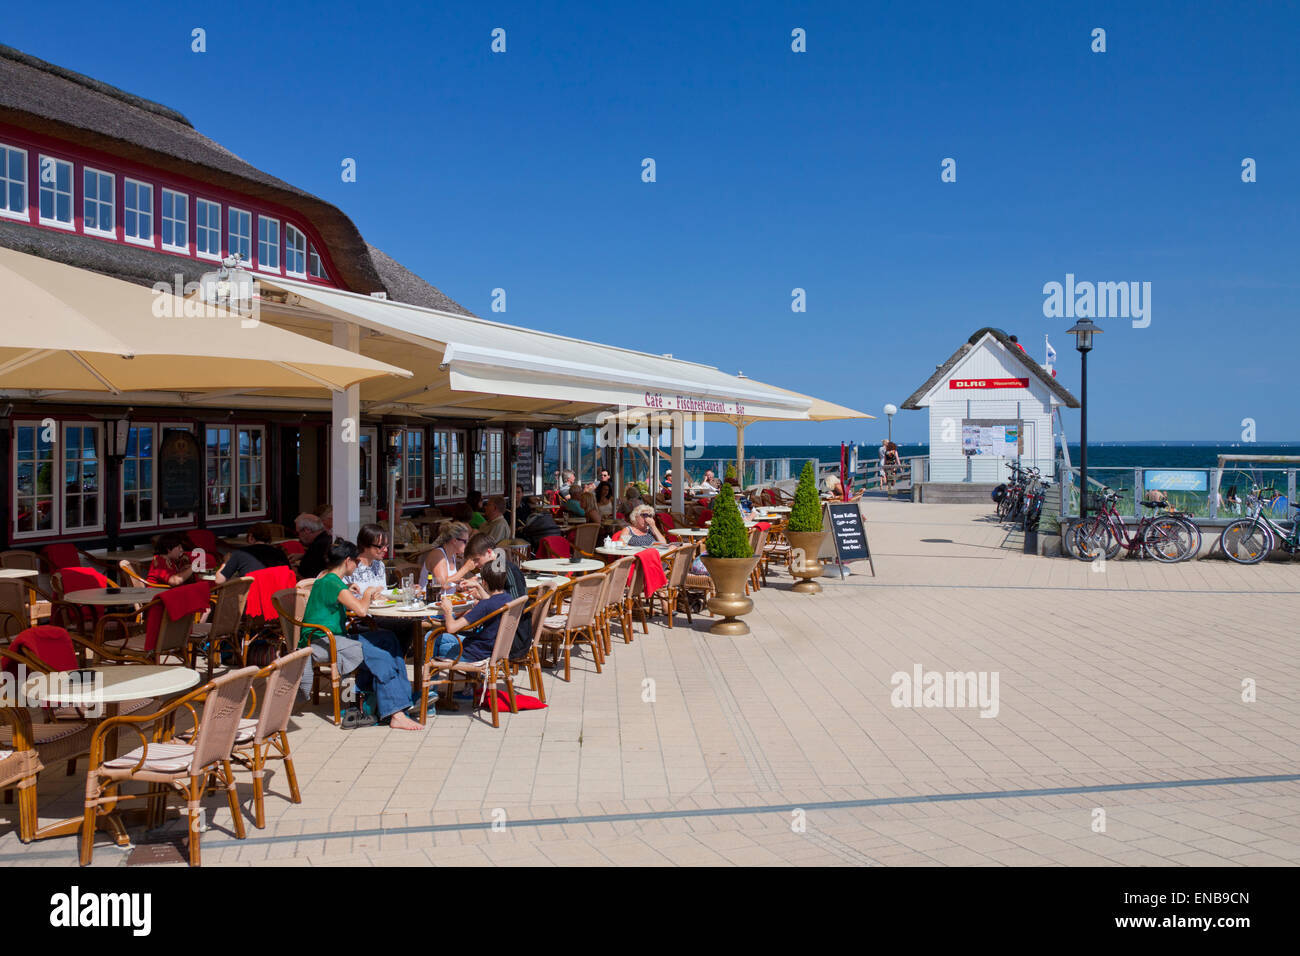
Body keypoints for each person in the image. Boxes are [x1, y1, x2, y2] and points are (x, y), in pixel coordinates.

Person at [298, 539, 421, 731]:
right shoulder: (333, 583)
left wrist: (349, 590)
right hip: (324, 641)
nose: (357, 566)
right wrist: (368, 593)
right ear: (347, 561)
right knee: (381, 656)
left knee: (388, 638)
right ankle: (395, 713)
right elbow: (362, 611)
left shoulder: (328, 578)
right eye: (356, 562)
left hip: (332, 637)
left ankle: (403, 699)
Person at [433, 562, 515, 664]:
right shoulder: (507, 598)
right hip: (493, 649)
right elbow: (491, 602)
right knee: (443, 639)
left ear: (484, 582)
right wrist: (478, 587)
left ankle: (430, 675)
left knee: (432, 638)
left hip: (474, 654)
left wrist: (448, 610)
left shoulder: (484, 605)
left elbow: (451, 628)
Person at [214, 522, 289, 584]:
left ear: (250, 537)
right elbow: (290, 576)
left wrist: (225, 562)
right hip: (277, 599)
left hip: (251, 599)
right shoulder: (280, 553)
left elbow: (219, 580)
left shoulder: (240, 553)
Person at [463, 532, 528, 599]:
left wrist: (481, 595)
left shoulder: (507, 569)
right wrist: (480, 592)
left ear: (489, 552)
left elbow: (516, 600)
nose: (475, 564)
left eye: (477, 559)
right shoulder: (491, 568)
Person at [424, 521, 474, 588]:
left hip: (447, 597)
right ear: (454, 541)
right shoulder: (438, 555)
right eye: (465, 541)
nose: (467, 544)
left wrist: (462, 584)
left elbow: (450, 581)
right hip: (430, 597)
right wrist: (465, 568)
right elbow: (443, 585)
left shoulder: (453, 555)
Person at [344, 523, 389, 592]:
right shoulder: (350, 566)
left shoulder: (380, 565)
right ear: (365, 545)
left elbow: (384, 592)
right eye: (380, 547)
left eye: (386, 546)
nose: (386, 550)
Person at [295, 512, 333, 580]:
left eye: (298, 532)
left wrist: (293, 570)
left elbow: (305, 574)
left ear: (307, 530)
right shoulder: (329, 539)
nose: (299, 536)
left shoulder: (317, 546)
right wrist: (302, 556)